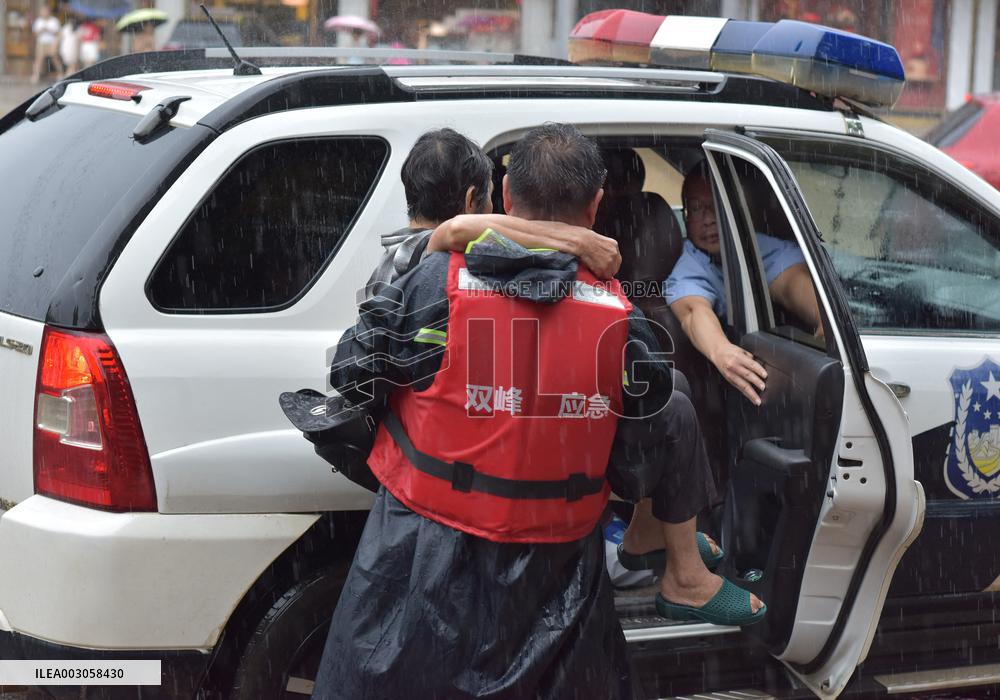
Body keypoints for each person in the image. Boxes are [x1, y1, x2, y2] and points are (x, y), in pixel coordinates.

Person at [304, 123, 760, 699]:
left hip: (419, 562)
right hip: (558, 579)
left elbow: (352, 373)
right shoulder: (624, 322)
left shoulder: (431, 285)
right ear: (596, 208)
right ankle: (673, 556)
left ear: (507, 197)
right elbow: (649, 434)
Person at [666, 160, 822, 405]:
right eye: (696, 209)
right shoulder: (690, 264)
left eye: (716, 206)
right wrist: (721, 351)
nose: (707, 219)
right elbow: (693, 311)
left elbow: (792, 284)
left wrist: (823, 319)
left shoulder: (762, 247)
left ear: (737, 209)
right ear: (686, 217)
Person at [31, 6, 60, 85]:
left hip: (51, 43)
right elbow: (35, 33)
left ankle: (60, 74)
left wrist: (49, 30)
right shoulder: (38, 21)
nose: (44, 13)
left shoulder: (54, 21)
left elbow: (58, 33)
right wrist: (41, 31)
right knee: (39, 59)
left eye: (45, 11)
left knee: (54, 58)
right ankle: (36, 75)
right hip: (41, 43)